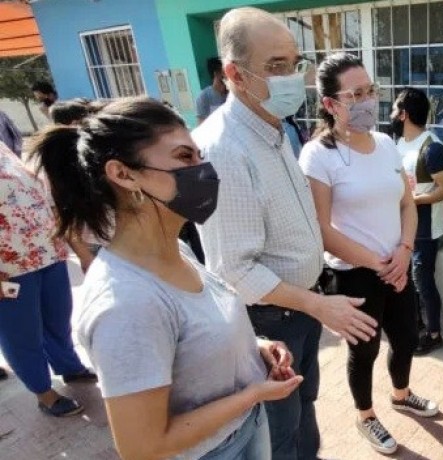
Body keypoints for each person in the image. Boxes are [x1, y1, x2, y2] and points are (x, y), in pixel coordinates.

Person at [35, 97, 303, 458]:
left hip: (244, 430)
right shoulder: (126, 304)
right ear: (123, 174)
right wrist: (254, 394)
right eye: (184, 158)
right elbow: (142, 446)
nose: (204, 169)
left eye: (198, 155)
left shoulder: (178, 250)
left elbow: (192, 339)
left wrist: (256, 349)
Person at [193, 8, 378, 459]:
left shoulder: (275, 130)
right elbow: (233, 269)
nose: (292, 76)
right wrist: (318, 304)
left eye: (295, 63)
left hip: (302, 308)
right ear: (235, 74)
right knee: (278, 430)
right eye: (276, 66)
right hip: (271, 320)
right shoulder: (223, 149)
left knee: (303, 406)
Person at [300, 52, 439, 455]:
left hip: (397, 262)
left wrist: (406, 249)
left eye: (370, 90)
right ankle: (366, 416)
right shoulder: (319, 155)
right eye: (355, 93)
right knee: (365, 349)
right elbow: (322, 230)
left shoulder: (383, 144)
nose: (367, 100)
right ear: (330, 104)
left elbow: (407, 202)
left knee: (407, 337)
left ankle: (402, 393)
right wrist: (380, 263)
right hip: (355, 272)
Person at [0, 142, 96, 418]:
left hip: (48, 253)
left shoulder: (5, 150)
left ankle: (69, 367)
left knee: (57, 319)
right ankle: (44, 392)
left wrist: (81, 251)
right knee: (22, 334)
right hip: (10, 268)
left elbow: (46, 203)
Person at [390, 87, 443, 355]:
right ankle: (415, 323)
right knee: (407, 278)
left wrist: (413, 200)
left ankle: (434, 332)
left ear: (403, 114)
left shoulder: (432, 147)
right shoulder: (398, 144)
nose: (391, 114)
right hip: (402, 226)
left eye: (394, 109)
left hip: (426, 229)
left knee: (422, 279)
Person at [196, 57, 229, 125]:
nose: (228, 74)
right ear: (216, 73)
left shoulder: (232, 94)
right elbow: (201, 124)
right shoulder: (204, 97)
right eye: (225, 71)